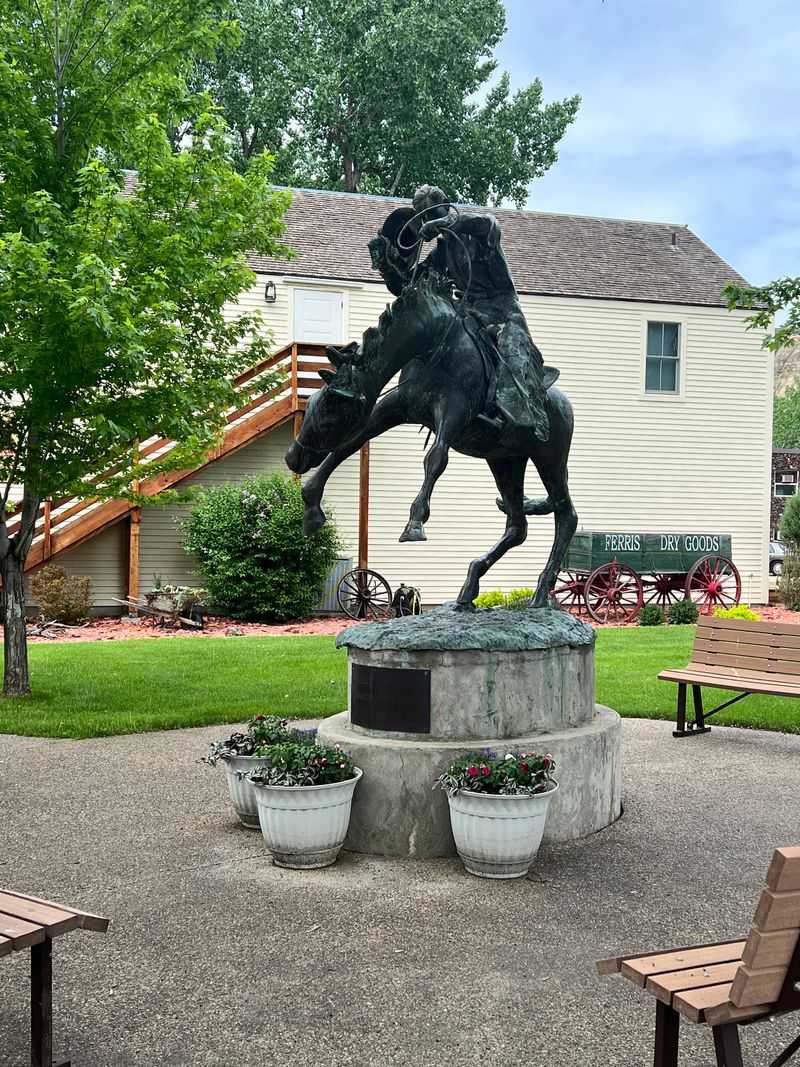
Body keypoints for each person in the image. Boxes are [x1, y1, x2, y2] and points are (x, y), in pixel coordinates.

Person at [368, 184, 557, 440]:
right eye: (423, 215)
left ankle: (527, 414)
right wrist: (387, 266)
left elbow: (487, 223)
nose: (427, 220)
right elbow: (410, 287)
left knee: (513, 355)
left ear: (445, 204)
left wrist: (447, 222)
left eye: (431, 212)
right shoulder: (442, 253)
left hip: (503, 312)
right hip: (467, 312)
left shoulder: (477, 232)